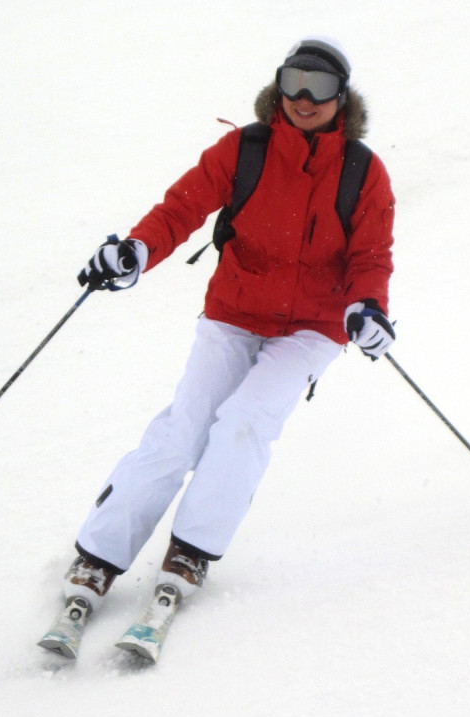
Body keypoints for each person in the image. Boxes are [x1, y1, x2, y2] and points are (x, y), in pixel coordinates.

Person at [54, 37, 396, 621]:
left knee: (244, 424)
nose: (304, 98)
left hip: (312, 327)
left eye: (319, 87)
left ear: (343, 97)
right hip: (236, 313)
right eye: (293, 82)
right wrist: (137, 249)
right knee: (186, 425)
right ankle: (99, 553)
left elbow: (371, 254)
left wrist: (368, 307)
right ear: (278, 84)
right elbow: (180, 209)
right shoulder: (245, 150)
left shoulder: (363, 171)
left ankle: (190, 551)